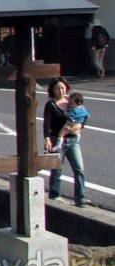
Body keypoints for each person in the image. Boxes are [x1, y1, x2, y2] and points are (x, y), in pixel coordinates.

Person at [43, 77, 88, 207]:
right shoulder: (50, 104)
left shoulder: (71, 101)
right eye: (57, 88)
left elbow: (83, 115)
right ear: (52, 90)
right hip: (57, 139)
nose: (60, 91)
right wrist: (47, 138)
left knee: (79, 168)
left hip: (73, 140)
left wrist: (81, 125)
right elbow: (46, 123)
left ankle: (80, 198)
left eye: (62, 88)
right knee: (57, 169)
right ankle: (54, 195)